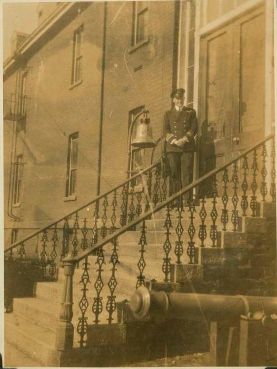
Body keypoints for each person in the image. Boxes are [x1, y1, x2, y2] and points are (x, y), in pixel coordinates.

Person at [163, 88, 198, 202]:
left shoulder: (190, 112)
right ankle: (175, 200)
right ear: (173, 100)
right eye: (177, 98)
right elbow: (165, 130)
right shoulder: (167, 114)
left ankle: (186, 200)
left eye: (182, 98)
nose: (180, 101)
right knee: (174, 173)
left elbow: (193, 128)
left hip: (186, 147)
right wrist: (174, 140)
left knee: (186, 173)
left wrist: (184, 139)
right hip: (173, 148)